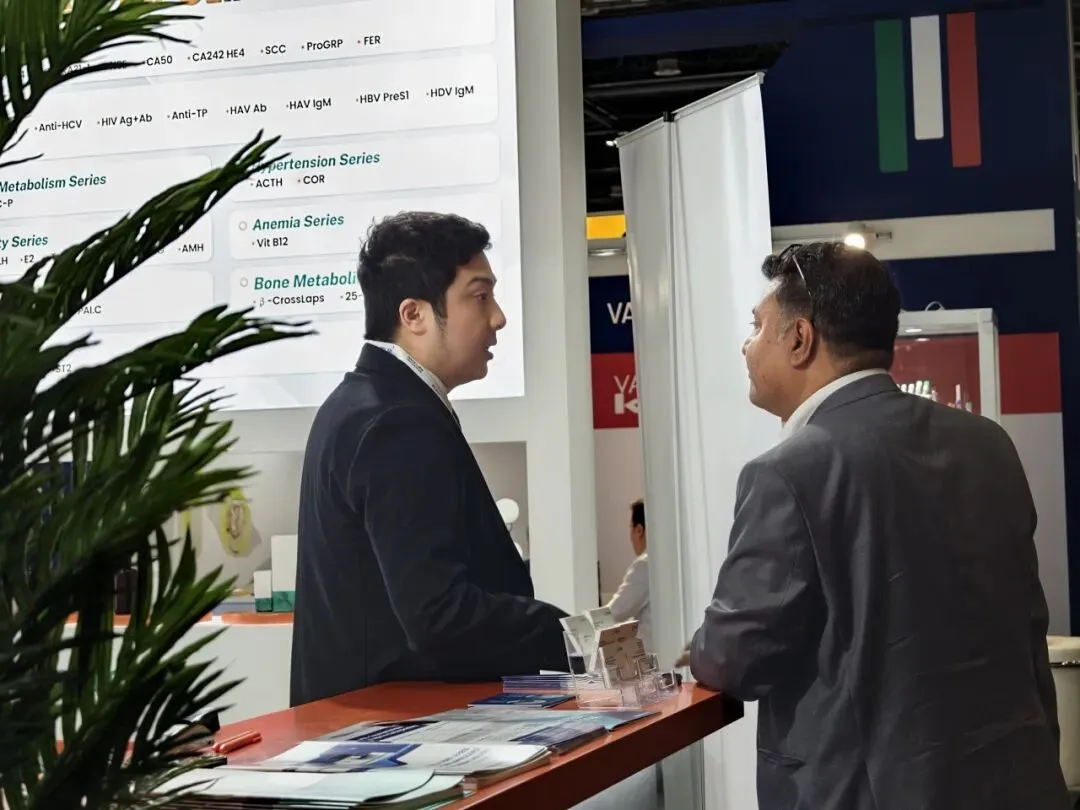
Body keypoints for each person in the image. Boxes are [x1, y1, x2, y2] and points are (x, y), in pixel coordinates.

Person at [687, 242, 1068, 809]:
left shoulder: (788, 472)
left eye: (757, 327)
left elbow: (732, 660)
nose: (747, 346)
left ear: (800, 339)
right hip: (1018, 782)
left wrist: (698, 646)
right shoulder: (989, 444)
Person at [290, 212, 568, 706]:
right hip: (393, 730)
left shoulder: (360, 404)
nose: (498, 317)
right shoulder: (397, 421)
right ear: (413, 315)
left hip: (367, 721)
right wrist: (566, 632)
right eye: (480, 297)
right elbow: (438, 613)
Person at [607, 498, 651, 650]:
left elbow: (615, 613)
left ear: (639, 530)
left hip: (649, 657)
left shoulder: (644, 565)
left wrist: (579, 625)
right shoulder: (667, 564)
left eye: (630, 528)